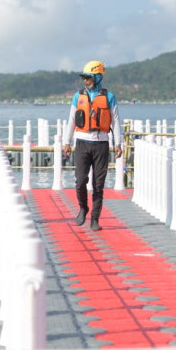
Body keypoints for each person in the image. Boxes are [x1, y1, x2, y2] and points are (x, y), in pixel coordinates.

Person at [62, 61, 123, 231]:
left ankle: (95, 219)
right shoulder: (78, 96)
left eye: (88, 77)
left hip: (101, 144)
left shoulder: (109, 97)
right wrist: (67, 142)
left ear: (97, 77)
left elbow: (116, 121)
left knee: (98, 184)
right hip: (82, 142)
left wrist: (118, 143)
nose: (85, 81)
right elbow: (71, 120)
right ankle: (83, 207)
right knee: (80, 180)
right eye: (83, 77)